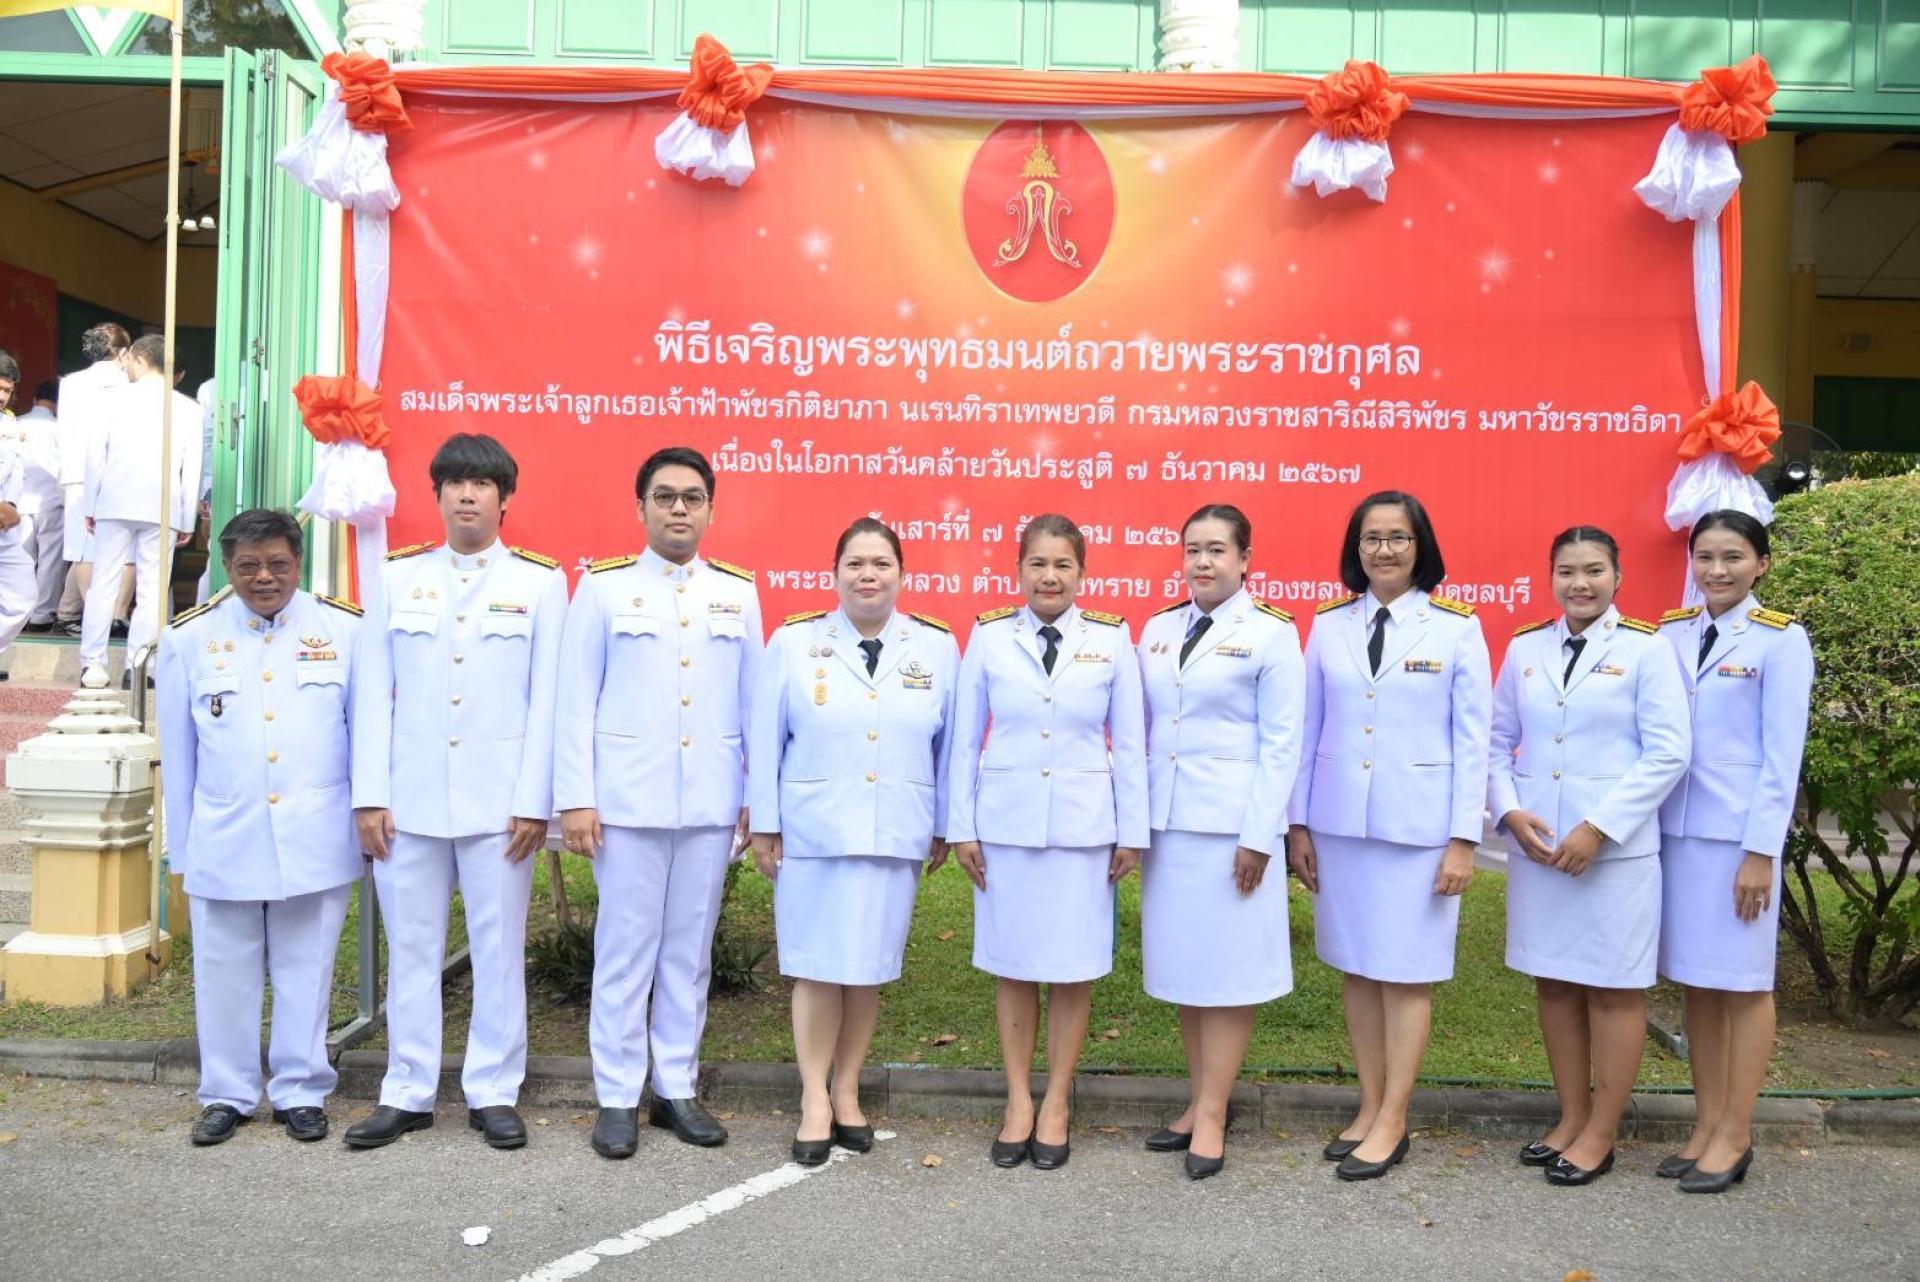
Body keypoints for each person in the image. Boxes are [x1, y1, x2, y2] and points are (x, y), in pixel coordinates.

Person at [347, 434, 567, 1152]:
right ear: (436, 494)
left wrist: (536, 799)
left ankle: (494, 1089)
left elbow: (548, 702)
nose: (468, 494)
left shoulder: (539, 583)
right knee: (411, 946)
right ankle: (407, 1089)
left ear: (507, 498)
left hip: (499, 803)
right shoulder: (397, 576)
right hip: (408, 799)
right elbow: (373, 693)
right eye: (455, 483)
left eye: (482, 484)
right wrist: (369, 795)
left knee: (498, 947)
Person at [557, 446, 763, 1159]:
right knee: (624, 951)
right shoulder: (605, 588)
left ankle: (676, 1086)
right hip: (627, 803)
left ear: (711, 508)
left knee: (688, 954)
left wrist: (755, 801)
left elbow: (755, 706)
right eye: (666, 496)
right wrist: (576, 797)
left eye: (693, 497)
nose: (680, 508)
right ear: (640, 506)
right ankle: (617, 1095)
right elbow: (574, 700)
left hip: (709, 801)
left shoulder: (738, 592)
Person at [1287, 490, 1491, 1181]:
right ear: (1356, 549)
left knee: (1404, 975)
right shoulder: (1328, 625)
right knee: (1356, 966)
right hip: (1341, 825)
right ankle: (1369, 1105)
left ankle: (1395, 1118)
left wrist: (1464, 839)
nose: (1384, 550)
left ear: (1420, 546)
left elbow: (1474, 742)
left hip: (1419, 830)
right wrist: (1297, 823)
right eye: (1371, 538)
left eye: (1398, 538)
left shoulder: (1456, 628)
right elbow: (1308, 731)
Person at [749, 517, 958, 1166]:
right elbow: (764, 739)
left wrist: (946, 822)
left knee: (866, 969)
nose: (869, 575)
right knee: (815, 966)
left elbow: (949, 747)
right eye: (856, 564)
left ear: (902, 574)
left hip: (894, 826)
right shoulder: (792, 642)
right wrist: (764, 821)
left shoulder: (936, 648)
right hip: (814, 828)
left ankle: (848, 1091)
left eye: (881, 564)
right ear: (834, 573)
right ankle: (813, 1096)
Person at [155, 508, 365, 1145]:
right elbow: (180, 754)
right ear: (227, 566)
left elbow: (363, 739)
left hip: (316, 832)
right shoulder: (189, 639)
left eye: (276, 564)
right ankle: (227, 1093)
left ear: (298, 563)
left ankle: (302, 1089)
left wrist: (364, 824)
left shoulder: (344, 630)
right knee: (224, 973)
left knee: (308, 968)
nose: (263, 577)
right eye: (248, 566)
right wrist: (182, 851)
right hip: (226, 834)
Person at [945, 514, 1148, 1171]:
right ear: (1019, 570)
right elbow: (963, 739)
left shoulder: (1113, 640)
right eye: (1037, 563)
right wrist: (963, 826)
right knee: (1012, 965)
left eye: (1062, 564)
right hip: (1004, 827)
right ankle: (1017, 1101)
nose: (1050, 576)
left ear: (1082, 574)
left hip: (1085, 831)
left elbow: (1134, 745)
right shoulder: (989, 636)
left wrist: (1132, 831)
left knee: (1071, 970)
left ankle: (1057, 1099)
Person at [1489, 526, 1690, 1185]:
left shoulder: (1646, 650)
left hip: (1614, 857)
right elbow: (1496, 742)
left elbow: (1668, 752)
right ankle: (1571, 1115)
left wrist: (1599, 828)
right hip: (1541, 850)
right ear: (1551, 577)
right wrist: (1510, 812)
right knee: (1554, 983)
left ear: (1617, 576)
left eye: (1595, 570)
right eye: (1568, 571)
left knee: (1613, 990)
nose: (1581, 583)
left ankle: (1602, 1133)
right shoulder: (1523, 648)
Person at [1133, 503, 1304, 1180]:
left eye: (1217, 550)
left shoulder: (1270, 634)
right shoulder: (1155, 629)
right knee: (1187, 971)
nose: (1203, 562)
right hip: (1169, 827)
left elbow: (1282, 743)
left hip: (1234, 831)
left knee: (1229, 974)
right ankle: (1201, 1098)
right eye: (1192, 550)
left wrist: (1261, 836)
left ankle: (1212, 1113)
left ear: (1245, 560)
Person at [1655, 509, 1814, 1194]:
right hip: (1673, 834)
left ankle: (1737, 1132)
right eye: (1705, 556)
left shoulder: (1781, 641)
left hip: (1735, 841)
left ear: (1762, 564)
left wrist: (1760, 853)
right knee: (1697, 981)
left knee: (1744, 984)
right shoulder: (1667, 633)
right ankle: (1705, 1122)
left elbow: (1783, 759)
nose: (1716, 570)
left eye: (1733, 557)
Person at [79, 335, 200, 689]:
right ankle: (139, 665)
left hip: (114, 500)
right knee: (152, 589)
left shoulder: (109, 399)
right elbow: (190, 468)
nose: (127, 366)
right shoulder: (189, 408)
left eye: (129, 360)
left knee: (103, 583)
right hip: (163, 504)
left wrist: (90, 504)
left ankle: (93, 665)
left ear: (141, 359)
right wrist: (187, 516)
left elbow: (94, 457)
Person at [56, 322, 131, 639]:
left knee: (83, 549)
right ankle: (116, 614)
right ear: (124, 352)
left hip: (74, 473)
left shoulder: (71, 383)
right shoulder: (129, 382)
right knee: (125, 549)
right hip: (117, 473)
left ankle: (93, 616)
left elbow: (65, 431)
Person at [17, 380, 67, 633]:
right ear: (58, 404)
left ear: (35, 399)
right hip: (52, 502)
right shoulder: (61, 428)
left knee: (21, 560)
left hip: (18, 504)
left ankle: (17, 611)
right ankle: (42, 614)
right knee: (50, 561)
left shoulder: (15, 424)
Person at [0, 353, 35, 663]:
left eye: (8, 390)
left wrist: (9, 507)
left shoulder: (9, 421)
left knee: (23, 596)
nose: (2, 396)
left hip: (6, 527)